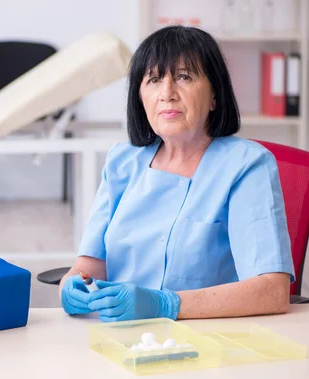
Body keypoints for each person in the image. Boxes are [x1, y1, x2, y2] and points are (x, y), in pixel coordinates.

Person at [59, 25, 295, 322]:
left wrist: (165, 304)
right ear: (140, 96)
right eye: (154, 79)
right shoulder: (122, 161)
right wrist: (71, 288)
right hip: (118, 337)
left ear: (214, 96)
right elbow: (89, 266)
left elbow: (272, 292)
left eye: (184, 77)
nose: (167, 94)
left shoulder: (246, 165)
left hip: (211, 343)